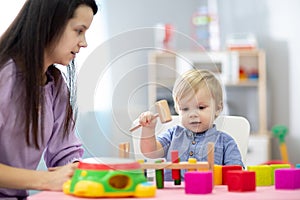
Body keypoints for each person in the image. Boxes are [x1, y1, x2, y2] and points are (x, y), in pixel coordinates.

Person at [0, 0, 98, 198]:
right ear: (50, 23)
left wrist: (78, 172)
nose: (84, 42)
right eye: (79, 30)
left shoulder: (56, 84)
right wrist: (45, 180)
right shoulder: (5, 74)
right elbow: (50, 178)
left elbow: (65, 154)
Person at [138, 69, 243, 181]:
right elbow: (150, 152)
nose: (192, 114)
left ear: (218, 108)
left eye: (201, 107)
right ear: (178, 110)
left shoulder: (226, 142)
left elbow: (236, 175)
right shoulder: (173, 135)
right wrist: (148, 129)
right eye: (185, 109)